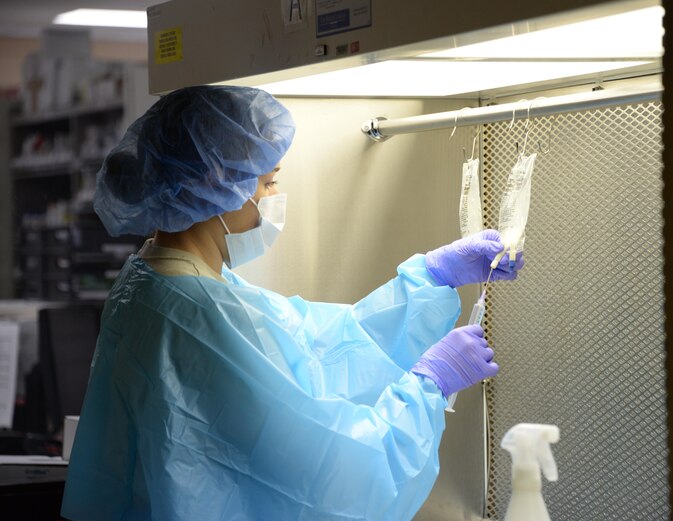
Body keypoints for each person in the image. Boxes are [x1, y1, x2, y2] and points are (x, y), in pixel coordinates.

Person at [60, 85, 523, 521]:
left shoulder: (166, 280)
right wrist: (428, 388)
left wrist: (430, 280)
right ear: (218, 182)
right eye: (267, 183)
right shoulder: (189, 313)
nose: (273, 198)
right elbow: (337, 475)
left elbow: (316, 346)